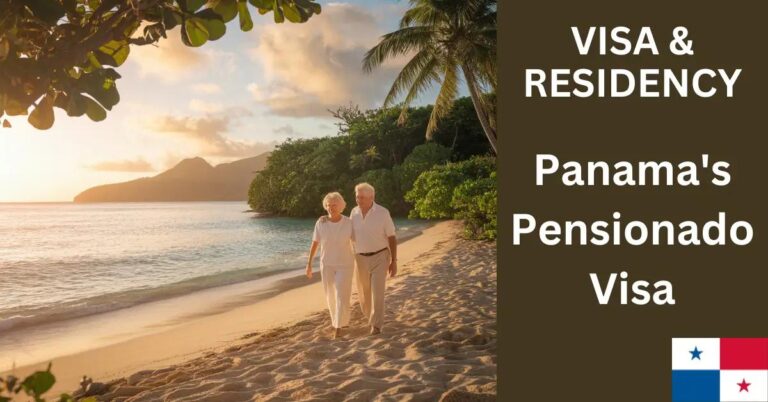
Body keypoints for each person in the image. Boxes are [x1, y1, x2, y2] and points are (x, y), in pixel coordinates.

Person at [349, 182, 397, 335]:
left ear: (372, 197)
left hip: (380, 256)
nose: (359, 200)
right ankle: (372, 317)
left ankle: (376, 325)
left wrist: (394, 261)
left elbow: (392, 237)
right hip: (360, 258)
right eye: (357, 197)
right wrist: (327, 220)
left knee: (377, 292)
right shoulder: (353, 212)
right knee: (364, 293)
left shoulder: (383, 213)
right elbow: (345, 231)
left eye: (362, 197)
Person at [306, 192, 355, 339]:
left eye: (334, 205)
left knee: (342, 293)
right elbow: (315, 243)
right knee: (330, 295)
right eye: (328, 205)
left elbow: (359, 239)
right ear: (325, 206)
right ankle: (338, 321)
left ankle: (338, 327)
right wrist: (309, 264)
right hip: (326, 264)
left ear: (341, 206)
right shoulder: (321, 222)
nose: (331, 208)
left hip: (345, 264)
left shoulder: (349, 222)